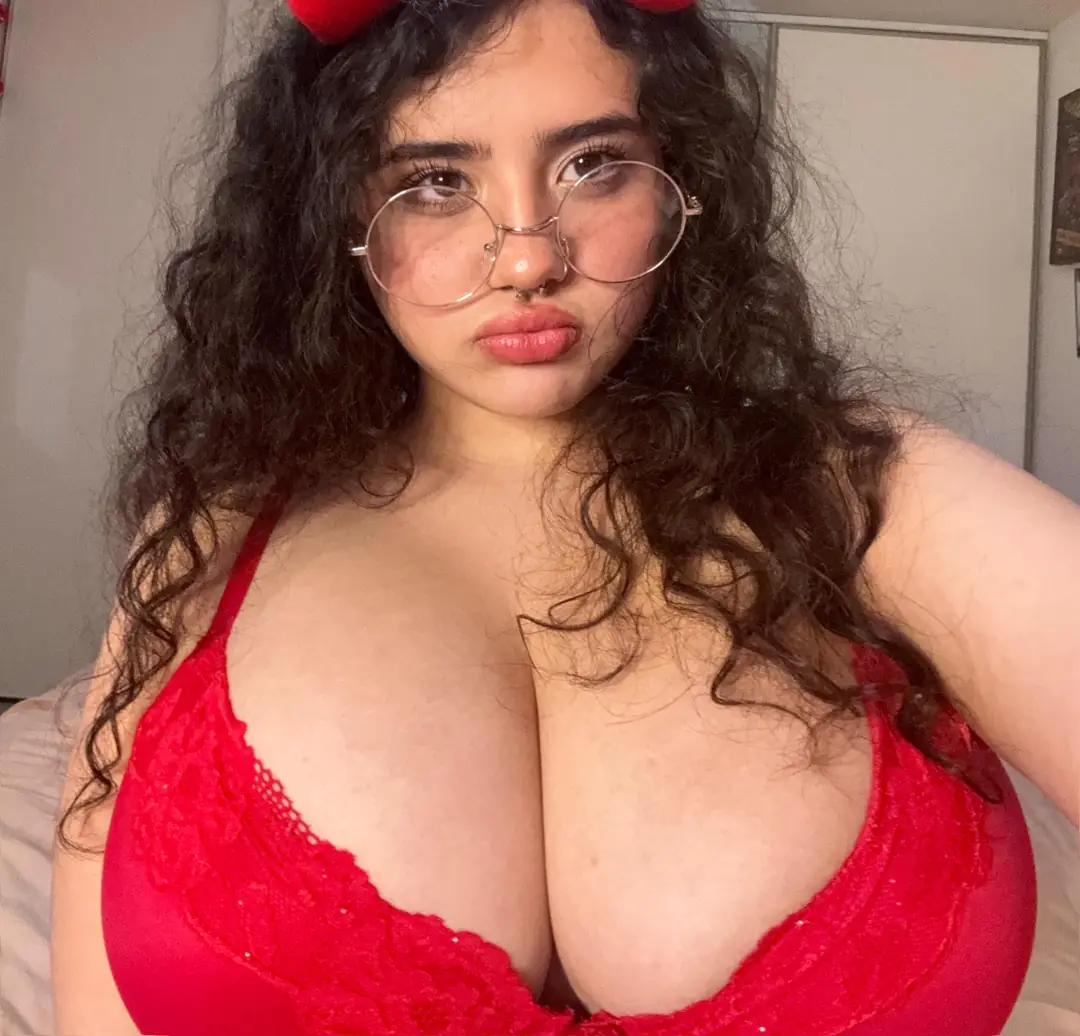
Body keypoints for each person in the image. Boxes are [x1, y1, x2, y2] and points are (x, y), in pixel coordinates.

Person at [50, 0, 1079, 1033]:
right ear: (339, 214)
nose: (528, 260)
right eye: (435, 182)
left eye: (594, 166)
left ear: (681, 184)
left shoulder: (867, 494)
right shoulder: (207, 538)